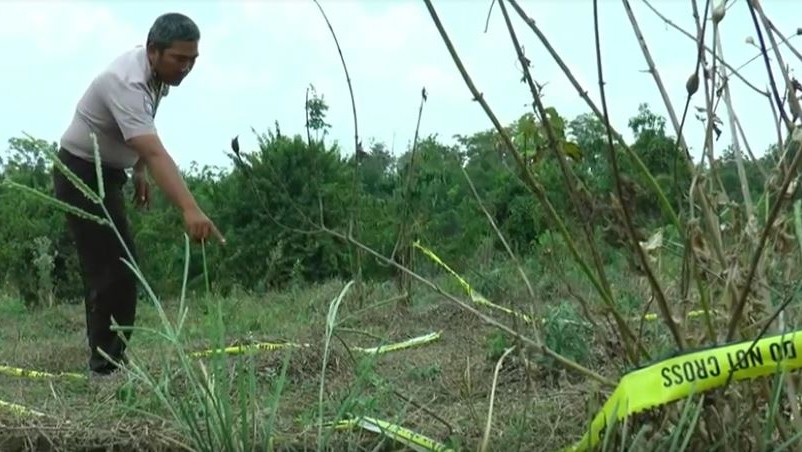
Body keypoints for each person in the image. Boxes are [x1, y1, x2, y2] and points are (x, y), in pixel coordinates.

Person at [53, 12, 225, 376]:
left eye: (193, 60)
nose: (187, 68)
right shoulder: (126, 82)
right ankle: (106, 368)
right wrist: (190, 209)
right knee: (114, 267)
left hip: (109, 172)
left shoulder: (156, 76)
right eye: (180, 59)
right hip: (81, 171)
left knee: (114, 264)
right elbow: (154, 148)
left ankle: (109, 360)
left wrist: (138, 169)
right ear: (153, 51)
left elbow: (142, 131)